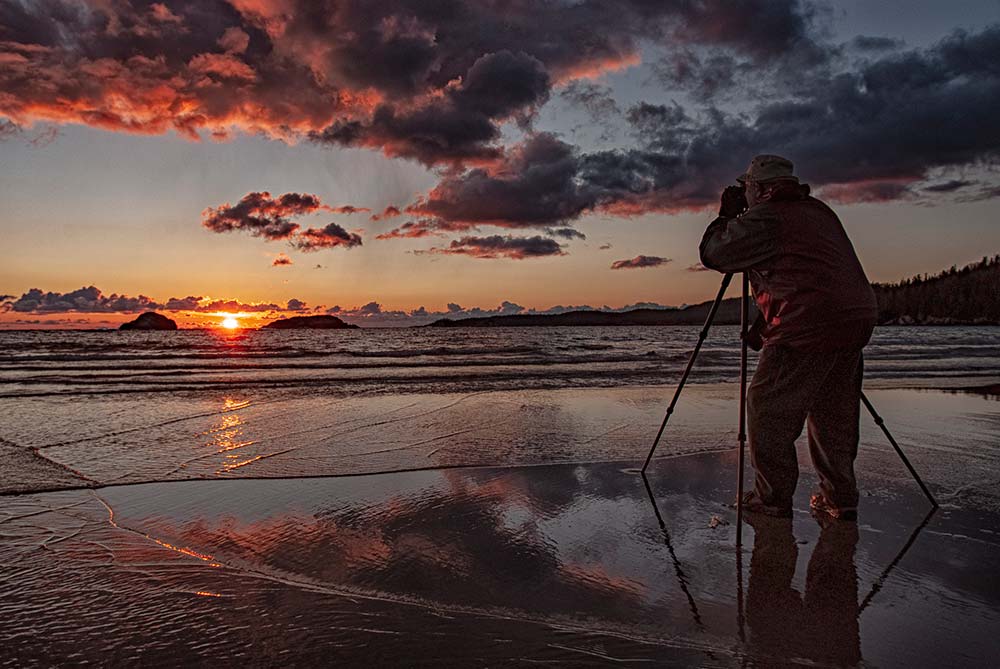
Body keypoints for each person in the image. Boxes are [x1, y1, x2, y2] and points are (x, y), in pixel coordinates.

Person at [699, 155, 878, 521]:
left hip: (809, 325)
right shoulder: (817, 211)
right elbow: (809, 274)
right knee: (833, 413)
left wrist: (725, 216)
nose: (743, 193)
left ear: (762, 189)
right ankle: (839, 497)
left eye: (747, 187)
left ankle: (771, 498)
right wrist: (766, 326)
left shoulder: (768, 217)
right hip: (854, 319)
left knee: (766, 409)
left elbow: (716, 253)